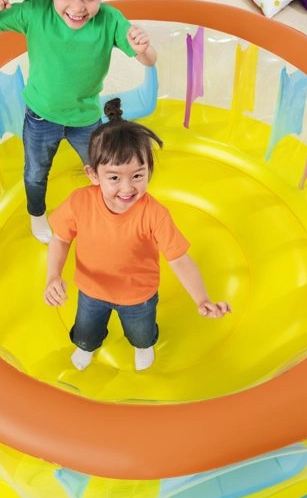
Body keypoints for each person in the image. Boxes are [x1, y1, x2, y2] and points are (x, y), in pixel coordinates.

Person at [0, 0, 158, 244]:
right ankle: (37, 214)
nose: (77, 7)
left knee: (102, 167)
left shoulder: (110, 20)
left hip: (85, 117)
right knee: (35, 172)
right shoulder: (36, 10)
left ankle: (109, 211)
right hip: (41, 116)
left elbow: (149, 60)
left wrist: (143, 48)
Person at [44, 98, 231, 371]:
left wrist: (202, 299)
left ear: (148, 172)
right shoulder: (79, 202)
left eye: (137, 176)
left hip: (139, 296)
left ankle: (143, 346)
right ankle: (86, 346)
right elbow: (60, 238)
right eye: (114, 177)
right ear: (93, 175)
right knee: (86, 332)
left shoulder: (154, 214)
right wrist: (53, 276)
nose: (127, 188)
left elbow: (179, 259)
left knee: (141, 334)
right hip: (91, 290)